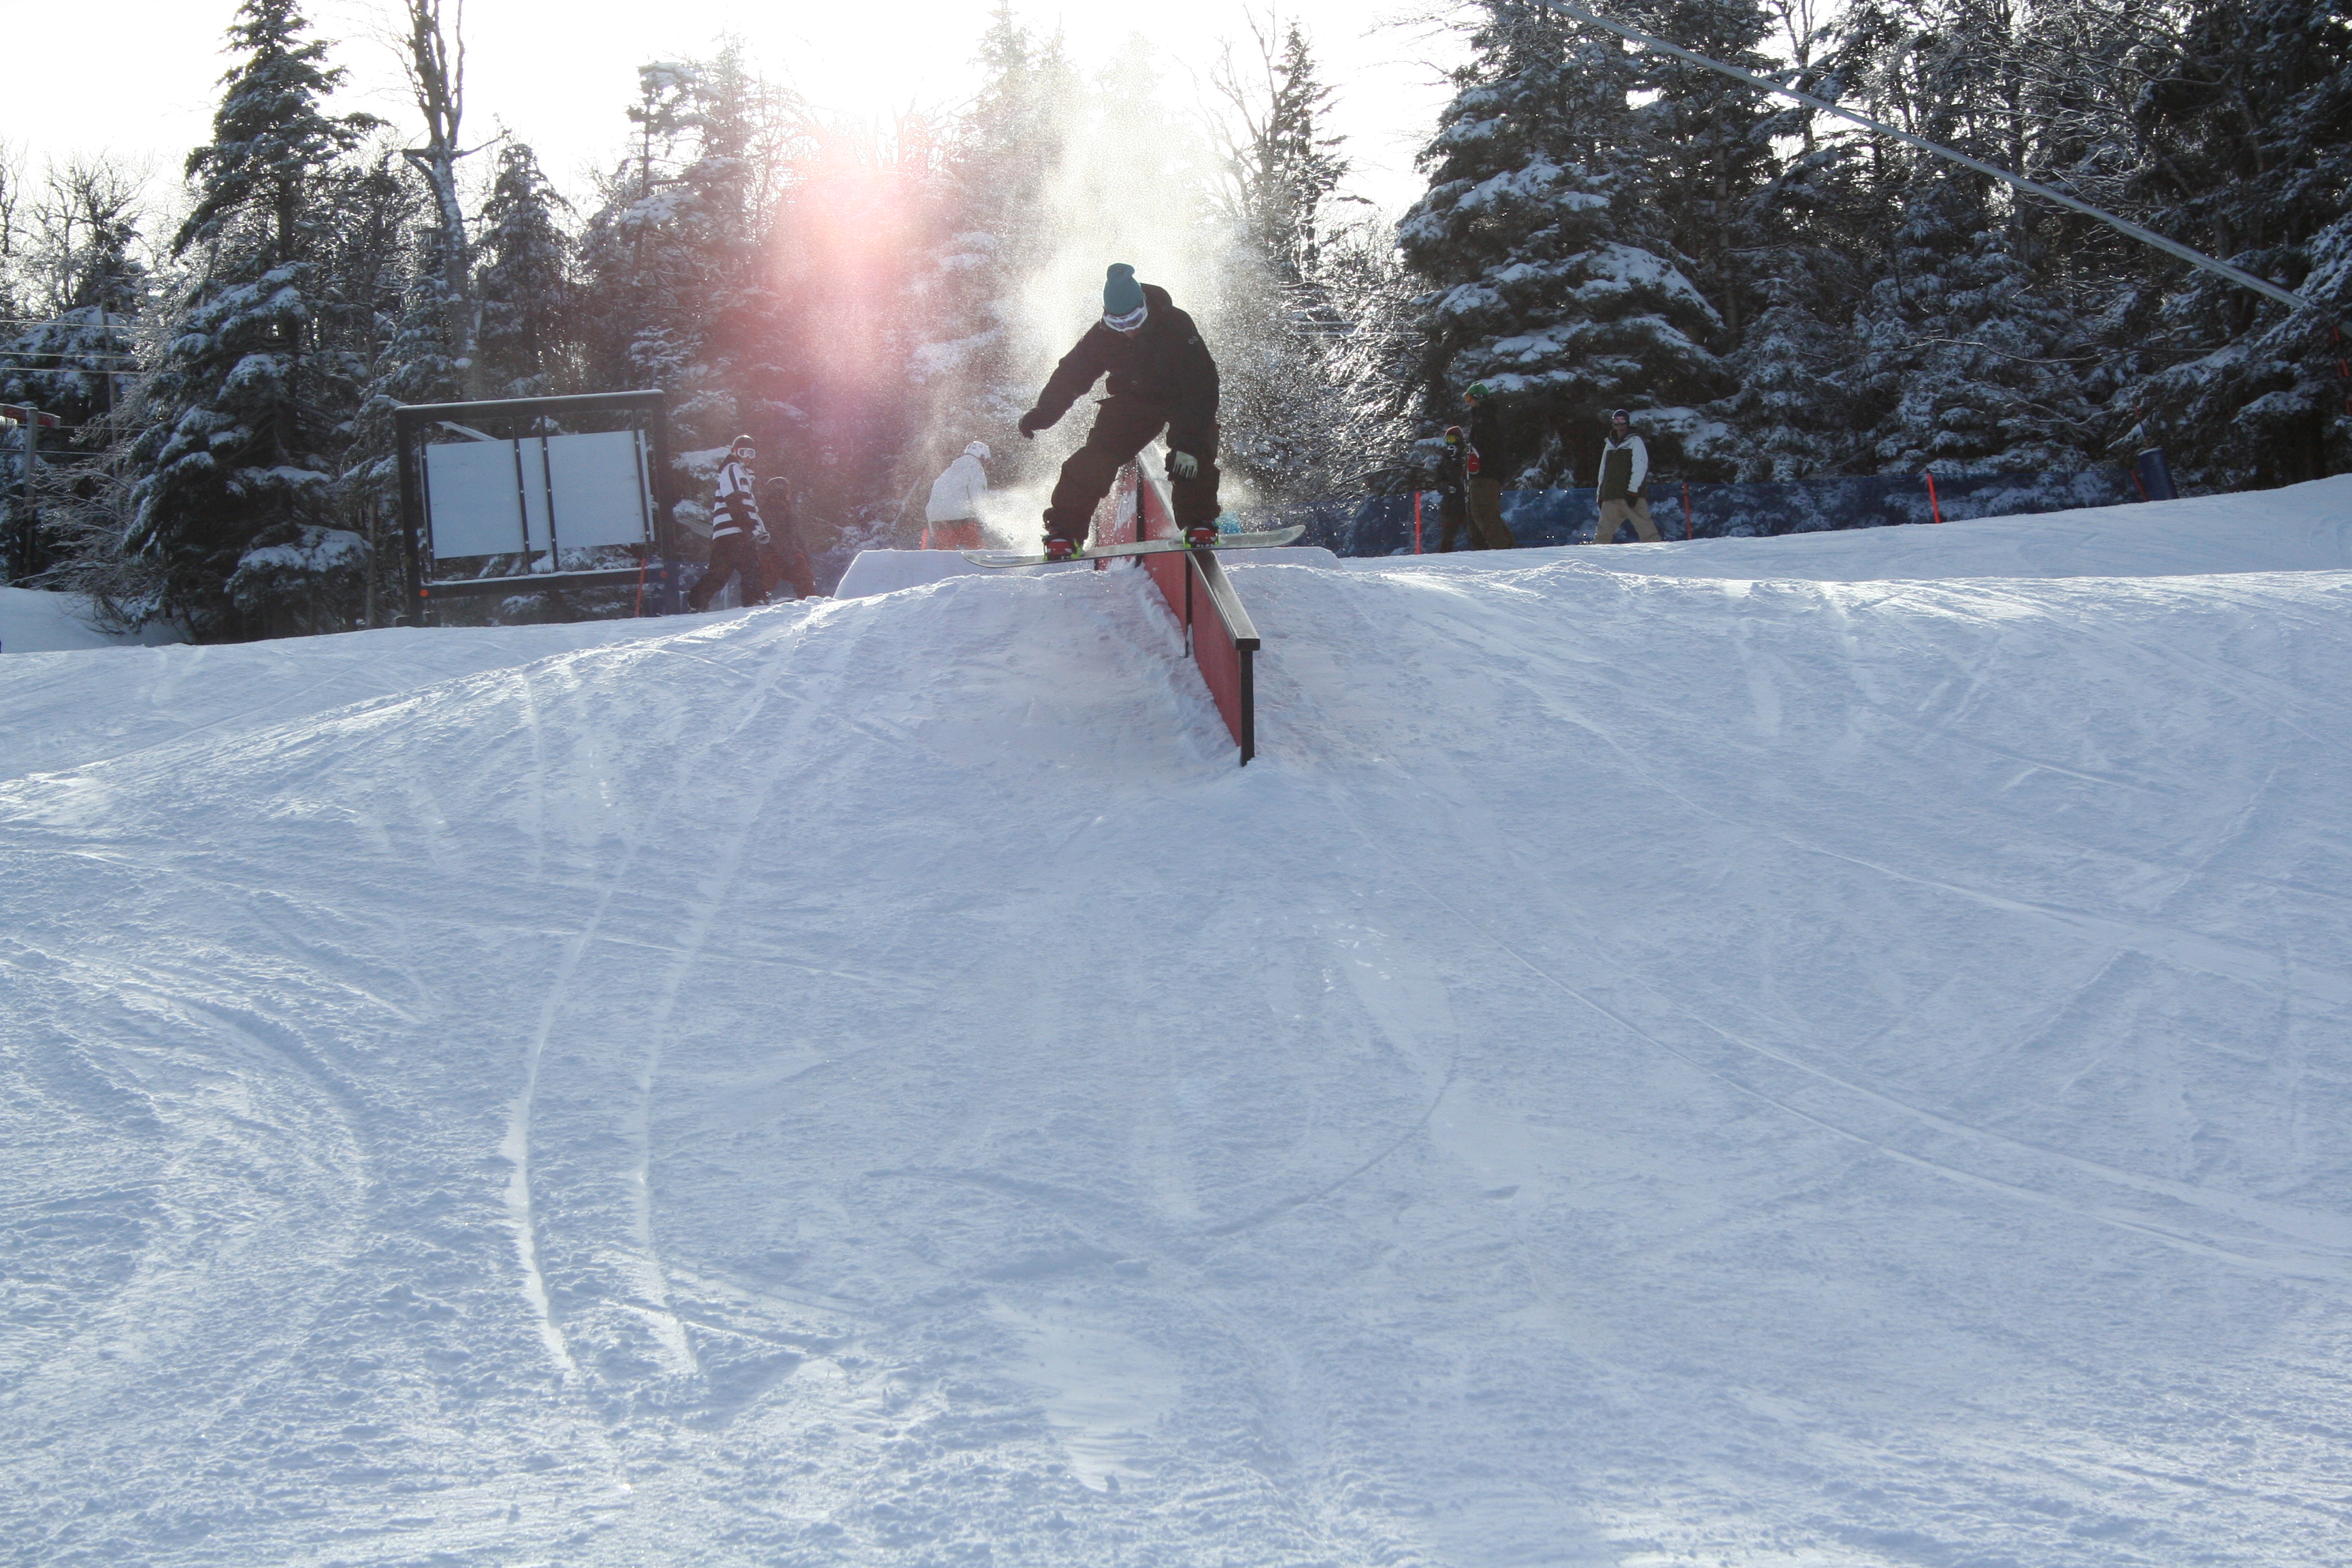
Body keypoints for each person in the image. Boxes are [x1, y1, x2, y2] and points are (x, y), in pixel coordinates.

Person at [1018, 263, 1221, 559]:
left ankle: (1199, 523)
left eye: (1134, 320)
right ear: (1106, 317)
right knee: (1095, 458)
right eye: (1117, 323)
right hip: (1134, 400)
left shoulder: (1176, 325)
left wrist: (1189, 442)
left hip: (1183, 397)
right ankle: (1065, 533)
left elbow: (1202, 384)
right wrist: (1045, 412)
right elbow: (1072, 374)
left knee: (1191, 453)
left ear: (1144, 307)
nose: (1128, 330)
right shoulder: (1101, 336)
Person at [689, 434, 769, 610]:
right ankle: (755, 600)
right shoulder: (733, 468)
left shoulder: (742, 474)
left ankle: (696, 603)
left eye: (751, 453)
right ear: (735, 452)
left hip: (727, 531)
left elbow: (749, 506)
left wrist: (759, 528)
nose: (747, 457)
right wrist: (747, 525)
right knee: (751, 567)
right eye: (743, 452)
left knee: (720, 573)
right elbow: (733, 497)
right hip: (735, 530)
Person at [1460, 382, 1518, 550]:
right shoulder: (1483, 417)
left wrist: (1478, 464)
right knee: (1488, 513)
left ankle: (1501, 549)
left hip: (1484, 474)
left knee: (1483, 512)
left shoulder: (1484, 419)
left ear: (1478, 398)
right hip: (1485, 472)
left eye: (1469, 398)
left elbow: (1487, 447)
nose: (1468, 402)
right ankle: (1507, 548)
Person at [1593, 409, 1661, 544]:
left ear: (1627, 422)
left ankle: (1656, 553)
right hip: (1610, 495)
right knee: (1602, 533)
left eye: (1622, 420)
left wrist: (1633, 491)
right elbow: (1603, 470)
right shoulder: (1609, 444)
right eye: (1616, 420)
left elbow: (1640, 466)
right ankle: (1598, 555)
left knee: (1646, 530)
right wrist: (1600, 494)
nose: (1619, 424)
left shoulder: (1635, 441)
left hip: (1630, 495)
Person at [757, 472, 816, 600]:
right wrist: (792, 553)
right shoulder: (774, 508)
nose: (790, 494)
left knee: (801, 577)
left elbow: (793, 535)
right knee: (801, 576)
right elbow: (776, 534)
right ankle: (809, 600)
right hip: (775, 553)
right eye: (788, 491)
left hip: (778, 552)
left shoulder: (781, 508)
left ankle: (809, 600)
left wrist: (802, 552)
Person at [924, 441, 991, 551]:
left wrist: (932, 528)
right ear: (982, 456)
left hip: (937, 518)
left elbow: (933, 500)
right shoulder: (975, 470)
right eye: (986, 461)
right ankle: (979, 557)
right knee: (975, 547)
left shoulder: (947, 472)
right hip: (960, 517)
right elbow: (978, 498)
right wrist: (986, 520)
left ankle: (943, 560)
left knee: (945, 553)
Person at [1435, 425, 1472, 552]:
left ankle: (1485, 556)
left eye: (1452, 439)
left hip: (1467, 504)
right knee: (1447, 538)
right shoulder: (1445, 460)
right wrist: (1446, 488)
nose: (1450, 443)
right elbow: (1439, 482)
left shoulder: (1467, 456)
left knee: (1476, 535)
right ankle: (1443, 560)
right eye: (1447, 440)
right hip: (1450, 506)